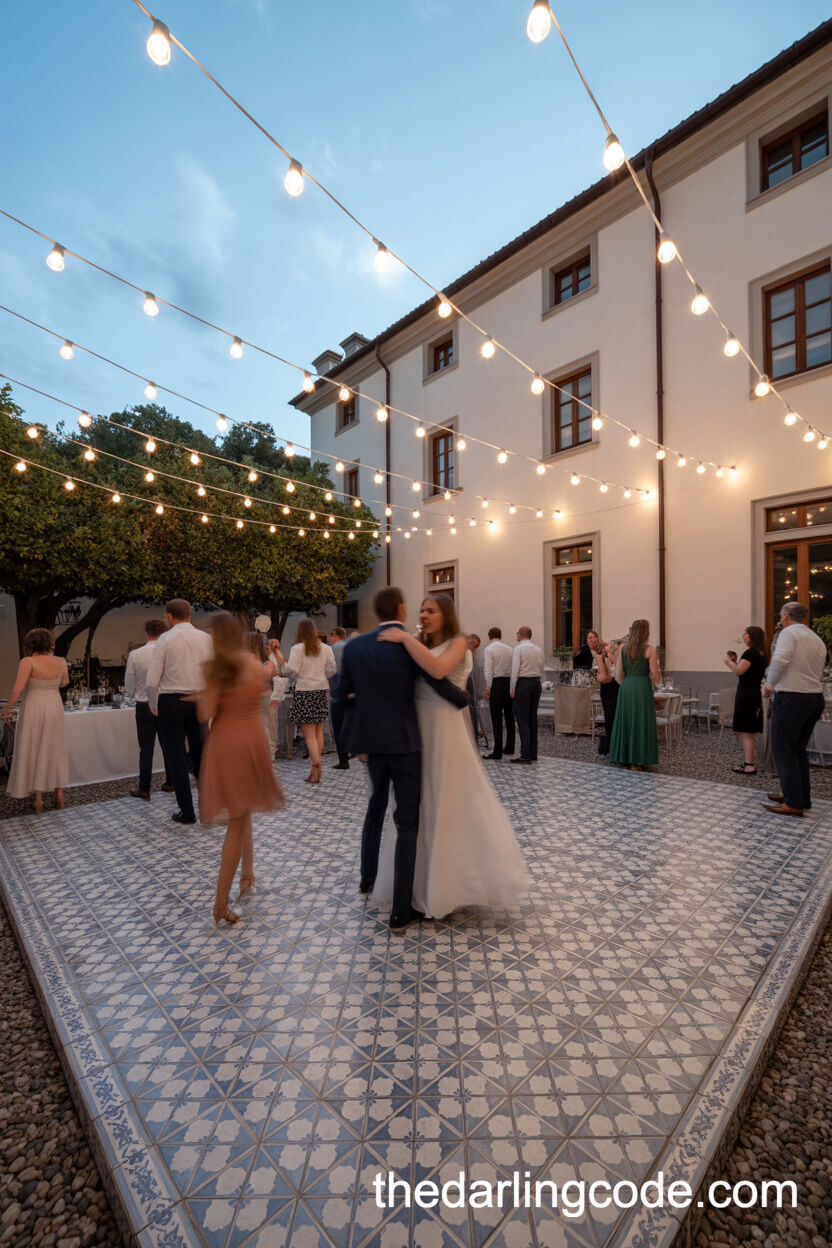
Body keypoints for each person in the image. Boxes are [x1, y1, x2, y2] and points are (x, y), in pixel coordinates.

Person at [375, 595, 528, 920]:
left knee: (447, 804)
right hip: (418, 733)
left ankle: (450, 886)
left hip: (445, 732)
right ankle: (417, 887)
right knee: (420, 809)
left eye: (431, 610)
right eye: (422, 610)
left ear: (446, 614)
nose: (424, 614)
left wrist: (403, 636)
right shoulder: (419, 643)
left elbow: (438, 668)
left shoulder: (458, 642)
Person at [330, 586, 470, 932]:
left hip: (372, 744)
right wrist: (461, 698)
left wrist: (353, 733)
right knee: (407, 822)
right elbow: (437, 683)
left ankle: (367, 876)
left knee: (376, 806)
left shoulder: (356, 646)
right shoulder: (409, 645)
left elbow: (340, 694)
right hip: (407, 742)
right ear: (403, 609)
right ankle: (401, 910)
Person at [196, 613, 285, 925]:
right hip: (253, 739)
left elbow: (205, 712)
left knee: (237, 818)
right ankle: (246, 875)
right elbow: (273, 671)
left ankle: (221, 903)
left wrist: (203, 694)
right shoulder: (251, 663)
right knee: (242, 811)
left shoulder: (215, 670)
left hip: (227, 741)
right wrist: (274, 648)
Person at [145, 599, 213, 825]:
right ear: (191, 614)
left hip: (171, 701)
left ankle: (187, 812)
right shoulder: (206, 638)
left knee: (176, 758)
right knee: (201, 756)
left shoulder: (165, 639)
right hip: (199, 699)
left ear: (169, 617)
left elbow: (152, 680)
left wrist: (154, 704)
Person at [762, 602, 827, 817]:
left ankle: (793, 802)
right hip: (814, 697)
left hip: (792, 696)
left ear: (787, 617)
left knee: (783, 750)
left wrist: (770, 683)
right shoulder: (815, 638)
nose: (780, 621)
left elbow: (781, 659)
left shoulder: (789, 633)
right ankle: (799, 796)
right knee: (798, 751)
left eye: (781, 617)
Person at [2, 629, 68, 813]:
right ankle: (59, 794)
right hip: (54, 706)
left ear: (30, 645)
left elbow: (17, 689)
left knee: (34, 746)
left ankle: (38, 799)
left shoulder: (28, 662)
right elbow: (64, 682)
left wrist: (6, 709)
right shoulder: (61, 662)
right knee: (55, 747)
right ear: (50, 644)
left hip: (34, 708)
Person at [125, 618, 173, 800]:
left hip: (144, 704)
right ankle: (171, 782)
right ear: (164, 633)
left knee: (146, 748)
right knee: (169, 745)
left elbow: (129, 685)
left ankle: (144, 788)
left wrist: (135, 691)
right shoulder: (169, 653)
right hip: (166, 702)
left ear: (147, 632)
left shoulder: (136, 654)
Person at [286, 619, 336, 784]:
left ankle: (317, 765)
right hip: (321, 690)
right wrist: (322, 676)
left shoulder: (297, 648)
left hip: (304, 691)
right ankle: (314, 768)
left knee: (308, 735)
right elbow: (332, 669)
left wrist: (282, 671)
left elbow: (292, 669)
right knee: (318, 731)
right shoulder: (326, 648)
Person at [608, 619, 660, 768]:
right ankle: (639, 759)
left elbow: (618, 676)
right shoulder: (650, 650)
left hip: (627, 687)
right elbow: (656, 677)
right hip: (642, 687)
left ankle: (624, 757)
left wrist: (628, 681)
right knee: (641, 722)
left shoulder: (622, 648)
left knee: (626, 721)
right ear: (646, 632)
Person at [723, 626, 768, 775]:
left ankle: (749, 765)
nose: (743, 635)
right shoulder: (760, 653)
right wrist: (736, 661)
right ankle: (749, 763)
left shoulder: (751, 653)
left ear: (752, 637)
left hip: (747, 694)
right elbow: (744, 672)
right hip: (752, 692)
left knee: (746, 731)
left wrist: (729, 662)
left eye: (746, 634)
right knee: (747, 730)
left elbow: (739, 671)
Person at [510, 626, 545, 764]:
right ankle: (533, 752)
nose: (516, 636)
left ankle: (525, 754)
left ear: (520, 635)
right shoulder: (539, 649)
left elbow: (515, 670)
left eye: (517, 633)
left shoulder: (518, 649)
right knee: (532, 718)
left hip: (523, 683)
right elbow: (541, 668)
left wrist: (512, 687)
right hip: (536, 683)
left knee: (522, 719)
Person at [482, 626, 515, 760]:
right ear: (500, 636)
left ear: (489, 636)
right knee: (509, 717)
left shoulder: (489, 649)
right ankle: (510, 747)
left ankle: (497, 751)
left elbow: (488, 670)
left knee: (496, 718)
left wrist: (488, 687)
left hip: (496, 684)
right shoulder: (510, 649)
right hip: (508, 683)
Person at [589, 630, 619, 756]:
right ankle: (610, 746)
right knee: (610, 718)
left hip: (613, 688)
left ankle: (612, 746)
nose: (592, 640)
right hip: (607, 690)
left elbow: (605, 678)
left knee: (613, 719)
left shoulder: (606, 657)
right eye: (589, 638)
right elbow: (602, 678)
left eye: (594, 637)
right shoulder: (597, 657)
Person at [328, 626, 351, 770]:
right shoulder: (351, 646)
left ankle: (343, 760)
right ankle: (354, 750)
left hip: (337, 691)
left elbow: (329, 671)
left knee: (338, 727)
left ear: (335, 635)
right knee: (351, 723)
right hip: (353, 692)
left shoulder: (331, 649)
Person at [466, 634, 488, 747]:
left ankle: (474, 737)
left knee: (473, 711)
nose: (474, 649)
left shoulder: (474, 657)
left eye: (476, 647)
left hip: (471, 687)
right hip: (466, 686)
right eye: (473, 645)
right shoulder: (464, 654)